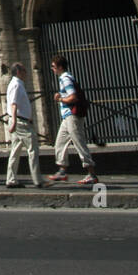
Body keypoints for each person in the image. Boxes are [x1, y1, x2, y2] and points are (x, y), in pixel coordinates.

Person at [47, 54, 98, 186]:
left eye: (53, 66)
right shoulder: (64, 79)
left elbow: (73, 97)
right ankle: (62, 171)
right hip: (66, 117)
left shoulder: (65, 79)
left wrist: (60, 99)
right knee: (60, 143)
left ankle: (91, 174)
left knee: (79, 143)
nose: (52, 69)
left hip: (72, 116)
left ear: (59, 67)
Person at [5, 61, 44, 189]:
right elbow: (14, 104)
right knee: (33, 148)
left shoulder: (16, 84)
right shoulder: (16, 85)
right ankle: (38, 180)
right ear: (18, 72)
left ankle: (11, 179)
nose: (26, 73)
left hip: (19, 120)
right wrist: (15, 121)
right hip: (20, 122)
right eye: (24, 70)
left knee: (15, 151)